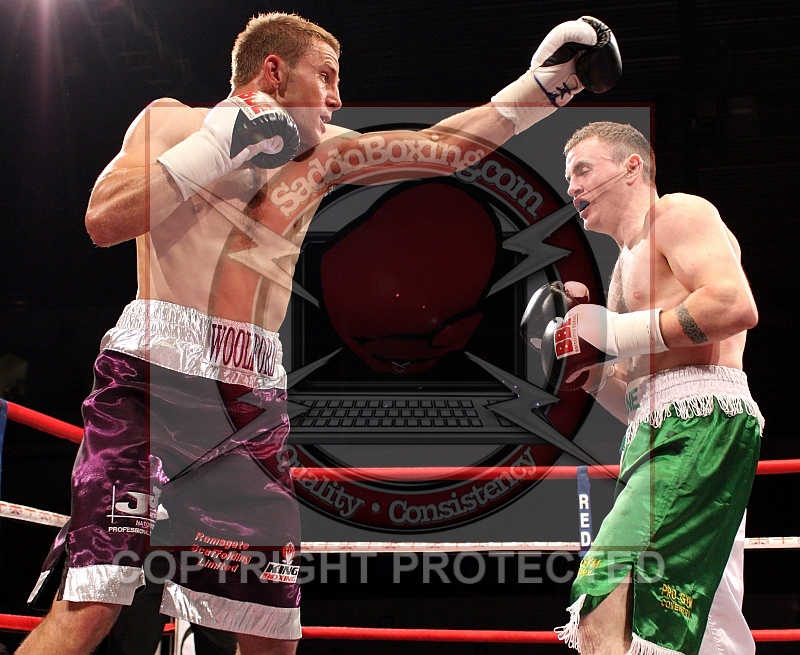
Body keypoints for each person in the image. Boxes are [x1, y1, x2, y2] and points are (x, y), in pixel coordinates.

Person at [18, 12, 620, 655]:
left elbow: (443, 150)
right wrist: (219, 145)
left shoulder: (322, 153)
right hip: (150, 383)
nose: (336, 97)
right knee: (93, 605)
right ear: (273, 71)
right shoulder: (170, 121)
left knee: (271, 634)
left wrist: (543, 87)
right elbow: (104, 220)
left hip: (248, 406)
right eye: (325, 77)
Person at [545, 122, 764, 655]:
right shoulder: (623, 267)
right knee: (704, 621)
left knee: (604, 589)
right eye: (568, 176)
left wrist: (613, 332)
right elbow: (639, 399)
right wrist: (586, 369)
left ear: (632, 167)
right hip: (658, 430)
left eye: (582, 169)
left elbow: (733, 305)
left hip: (701, 422)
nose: (572, 186)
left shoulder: (678, 214)